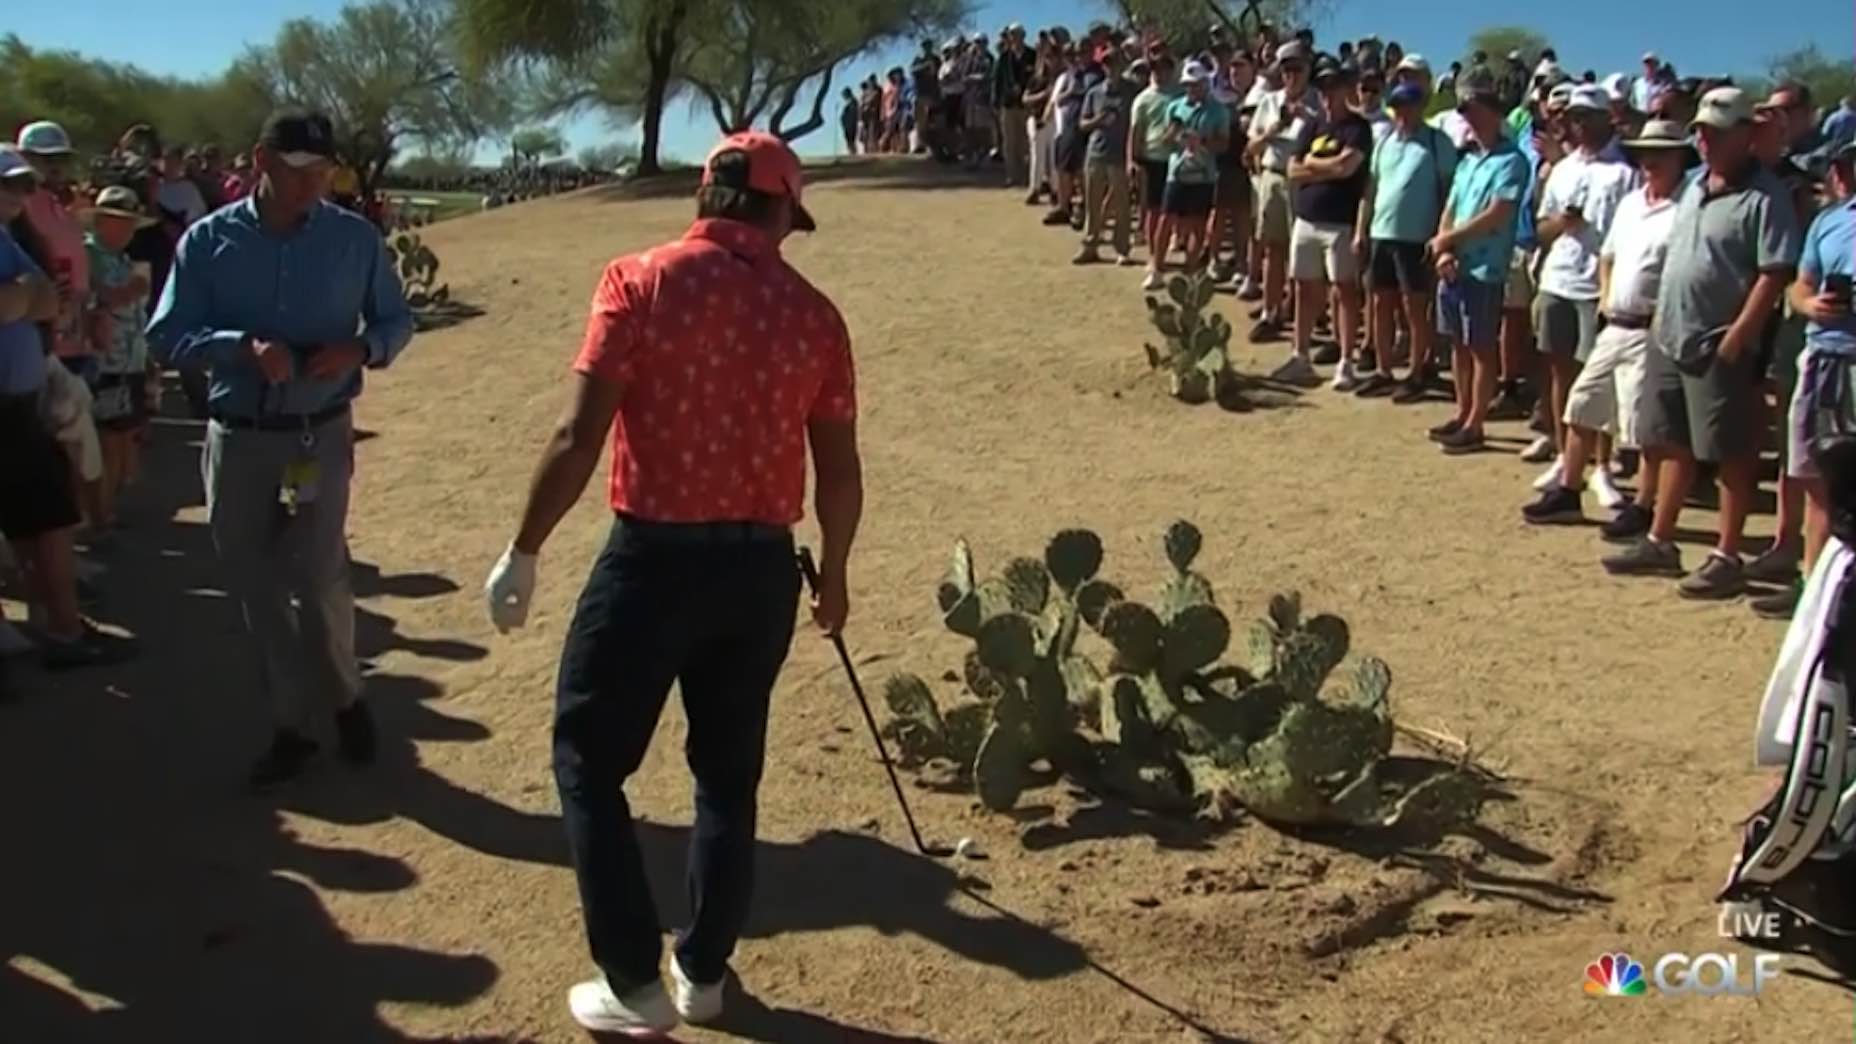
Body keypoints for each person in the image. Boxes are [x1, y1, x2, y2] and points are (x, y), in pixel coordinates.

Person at [481, 131, 862, 1036]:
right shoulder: (815, 314)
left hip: (652, 563)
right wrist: (835, 574)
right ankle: (703, 973)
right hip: (762, 568)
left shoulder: (637, 281)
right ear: (777, 209)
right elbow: (839, 470)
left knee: (588, 760)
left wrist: (524, 547)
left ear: (706, 196)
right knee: (727, 777)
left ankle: (632, 981)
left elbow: (579, 436)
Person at [147, 109, 414, 784]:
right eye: (299, 173)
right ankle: (290, 724)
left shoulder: (354, 240)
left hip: (318, 432)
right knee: (254, 582)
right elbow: (166, 331)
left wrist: (362, 346)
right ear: (262, 161)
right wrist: (237, 350)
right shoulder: (209, 243)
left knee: (321, 574)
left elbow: (395, 318)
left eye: (323, 173)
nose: (313, 187)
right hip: (237, 439)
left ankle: (346, 696)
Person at [1603, 88, 1801, 599]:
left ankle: (1727, 555)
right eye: (1701, 131)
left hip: (1718, 341)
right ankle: (1661, 540)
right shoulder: (1695, 184)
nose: (1705, 140)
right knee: (1668, 441)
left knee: (1731, 452)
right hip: (1671, 333)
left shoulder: (1765, 195)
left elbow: (1774, 273)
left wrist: (1739, 337)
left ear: (1745, 135)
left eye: (1715, 131)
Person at [0, 147, 136, 671]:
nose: (17, 194)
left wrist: (30, 297)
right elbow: (19, 302)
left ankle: (54, 622)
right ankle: (61, 628)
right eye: (6, 184)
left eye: (21, 184)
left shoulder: (14, 236)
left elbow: (44, 301)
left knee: (38, 519)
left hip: (22, 400)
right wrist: (28, 296)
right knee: (47, 514)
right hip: (5, 407)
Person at [1524, 119, 1688, 527]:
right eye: (1646, 153)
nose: (1651, 161)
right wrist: (1607, 297)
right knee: (1582, 403)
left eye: (1661, 153)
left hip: (1652, 328)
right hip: (1616, 320)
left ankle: (1644, 505)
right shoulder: (1633, 202)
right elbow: (1610, 255)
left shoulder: (1688, 208)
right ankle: (1568, 488)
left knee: (1644, 423)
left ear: (1680, 158)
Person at [1529, 84, 1641, 495]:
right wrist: (1562, 223)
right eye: (1572, 117)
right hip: (1559, 277)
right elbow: (1541, 230)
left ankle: (1603, 464)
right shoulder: (1562, 169)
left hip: (1599, 285)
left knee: (1600, 380)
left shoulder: (1625, 172)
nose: (1575, 124)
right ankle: (1564, 455)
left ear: (1602, 120)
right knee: (1560, 370)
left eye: (1584, 117)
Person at [1770, 141, 1856, 616]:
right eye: (1844, 165)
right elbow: (1800, 285)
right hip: (1824, 360)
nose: (1844, 173)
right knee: (1814, 476)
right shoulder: (1830, 220)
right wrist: (1811, 304)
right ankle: (1813, 591)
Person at [1428, 86, 1531, 455]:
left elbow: (1498, 214)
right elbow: (1451, 207)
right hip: (1454, 264)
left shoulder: (1513, 161)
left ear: (1491, 112)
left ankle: (1476, 423)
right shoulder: (1468, 160)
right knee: (1457, 342)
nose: (1466, 117)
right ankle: (1462, 411)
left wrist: (1448, 239)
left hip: (1485, 267)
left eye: (1470, 109)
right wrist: (1444, 248)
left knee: (1481, 346)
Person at [1356, 80, 1457, 402]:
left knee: (1414, 306)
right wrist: (1362, 230)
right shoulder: (1385, 142)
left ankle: (1417, 371)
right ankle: (1384, 370)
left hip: (1416, 237)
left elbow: (1447, 192)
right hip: (1381, 233)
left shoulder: (1436, 142)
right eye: (1397, 106)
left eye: (1408, 105)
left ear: (1420, 107)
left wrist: (1441, 236)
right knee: (1379, 302)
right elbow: (1370, 191)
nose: (1402, 112)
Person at [1278, 59, 1372, 388]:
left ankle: (1347, 361)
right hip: (1306, 219)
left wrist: (1314, 164)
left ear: (1346, 90)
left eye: (1334, 88)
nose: (1328, 95)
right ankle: (1299, 355)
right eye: (1324, 89)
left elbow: (1347, 168)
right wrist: (1326, 166)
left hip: (1340, 223)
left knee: (1343, 290)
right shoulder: (1312, 127)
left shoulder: (1358, 129)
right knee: (1303, 288)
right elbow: (1292, 169)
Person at [81, 186, 157, 533]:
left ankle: (107, 510)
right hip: (103, 364)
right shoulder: (87, 256)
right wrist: (127, 292)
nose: (125, 231)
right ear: (99, 221)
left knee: (124, 439)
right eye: (117, 222)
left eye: (129, 224)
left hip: (129, 362)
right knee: (108, 442)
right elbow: (91, 301)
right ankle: (100, 517)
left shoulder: (125, 261)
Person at [1246, 41, 1318, 340]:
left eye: (1296, 69)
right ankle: (1270, 311)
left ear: (1307, 70)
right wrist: (1274, 129)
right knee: (1273, 248)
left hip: (1305, 180)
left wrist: (1307, 118)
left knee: (1301, 254)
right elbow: (1252, 145)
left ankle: (1304, 316)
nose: (1291, 75)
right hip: (1273, 177)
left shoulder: (1317, 102)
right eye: (1286, 70)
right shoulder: (1269, 102)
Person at [1144, 60, 1228, 290]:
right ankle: (1157, 269)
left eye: (1195, 84)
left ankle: (1192, 273)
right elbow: (1165, 139)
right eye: (1187, 85)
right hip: (1177, 172)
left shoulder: (1218, 110)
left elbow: (1223, 143)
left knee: (1197, 224)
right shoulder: (1175, 107)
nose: (1191, 89)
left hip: (1204, 175)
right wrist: (1174, 135)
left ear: (1205, 84)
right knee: (1166, 219)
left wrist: (1202, 141)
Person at [1074, 45, 1138, 266]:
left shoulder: (1132, 90)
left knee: (1121, 204)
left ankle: (1122, 249)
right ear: (1104, 66)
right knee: (1092, 202)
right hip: (1096, 152)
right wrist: (1098, 121)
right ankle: (1090, 246)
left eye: (1117, 62)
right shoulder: (1094, 92)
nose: (1113, 67)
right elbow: (1082, 124)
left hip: (1120, 154)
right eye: (1109, 63)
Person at [1129, 54, 1182, 262]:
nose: (1160, 73)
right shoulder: (1143, 99)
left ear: (1171, 70)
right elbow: (1135, 132)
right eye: (1156, 69)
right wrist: (1132, 160)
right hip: (1152, 159)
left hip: (1177, 159)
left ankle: (1173, 243)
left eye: (1164, 69)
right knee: (1153, 209)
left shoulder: (1181, 95)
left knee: (1174, 210)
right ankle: (1154, 255)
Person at [994, 23, 1035, 187]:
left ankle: (1027, 175)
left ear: (1023, 35)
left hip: (1026, 104)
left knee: (1025, 141)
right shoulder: (1004, 57)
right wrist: (996, 102)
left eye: (1018, 34)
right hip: (1008, 104)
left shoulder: (1032, 55)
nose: (1015, 38)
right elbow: (997, 81)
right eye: (1012, 34)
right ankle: (1012, 175)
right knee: (1009, 142)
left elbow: (1036, 78)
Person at [839, 87, 859, 155]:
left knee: (851, 140)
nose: (844, 97)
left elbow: (853, 113)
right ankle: (851, 152)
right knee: (848, 140)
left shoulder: (853, 101)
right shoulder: (850, 102)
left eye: (844, 95)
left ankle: (853, 152)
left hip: (851, 124)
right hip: (847, 125)